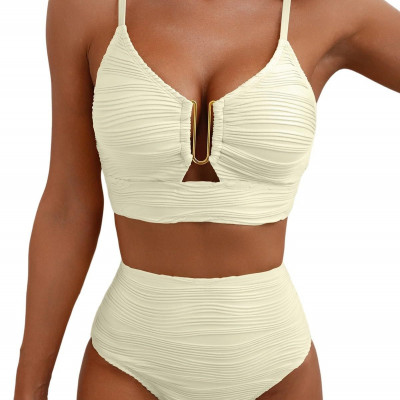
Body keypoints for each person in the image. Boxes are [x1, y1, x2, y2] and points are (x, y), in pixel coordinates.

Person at [14, 0, 400, 399]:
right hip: (127, 362)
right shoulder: (86, 9)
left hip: (276, 365)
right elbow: (68, 206)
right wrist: (29, 388)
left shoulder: (326, 10)